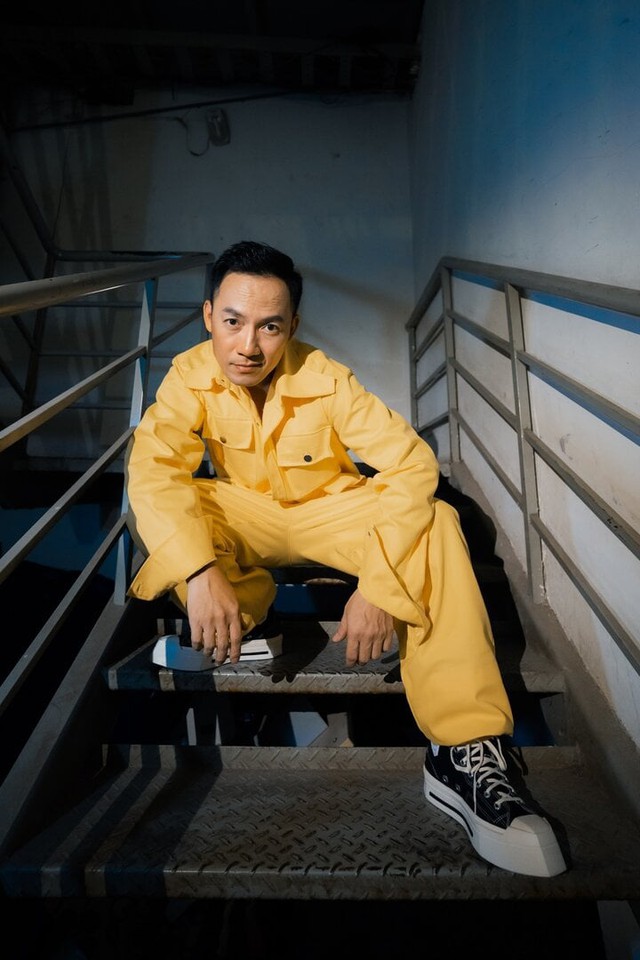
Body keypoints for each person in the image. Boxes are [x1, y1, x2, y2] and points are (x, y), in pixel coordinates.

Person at [125, 240, 566, 878]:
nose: (248, 345)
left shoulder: (326, 377)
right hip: (248, 514)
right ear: (208, 316)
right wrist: (198, 573)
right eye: (234, 321)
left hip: (332, 512)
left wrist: (381, 586)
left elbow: (412, 464)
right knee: (173, 503)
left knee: (438, 520)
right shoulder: (186, 376)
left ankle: (464, 750)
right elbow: (153, 469)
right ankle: (240, 624)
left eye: (269, 326)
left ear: (291, 327)